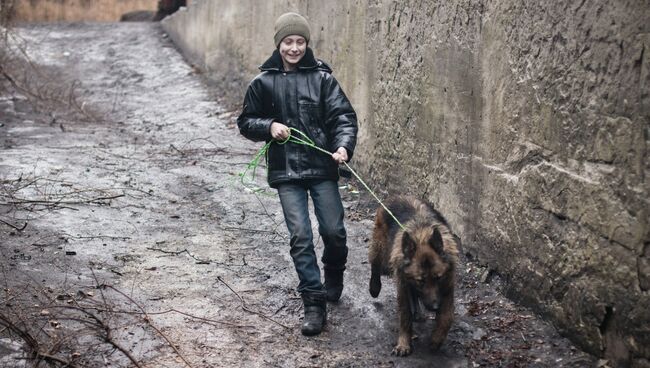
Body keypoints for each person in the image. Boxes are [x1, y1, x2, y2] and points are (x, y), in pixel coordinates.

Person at [237, 12, 358, 336]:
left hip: (322, 167)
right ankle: (313, 302)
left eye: (299, 41)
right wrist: (269, 126)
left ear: (307, 43)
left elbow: (343, 118)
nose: (294, 48)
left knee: (334, 231)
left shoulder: (323, 80)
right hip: (287, 171)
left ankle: (333, 271)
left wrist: (343, 147)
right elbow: (246, 122)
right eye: (288, 42)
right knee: (301, 236)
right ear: (279, 44)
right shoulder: (262, 83)